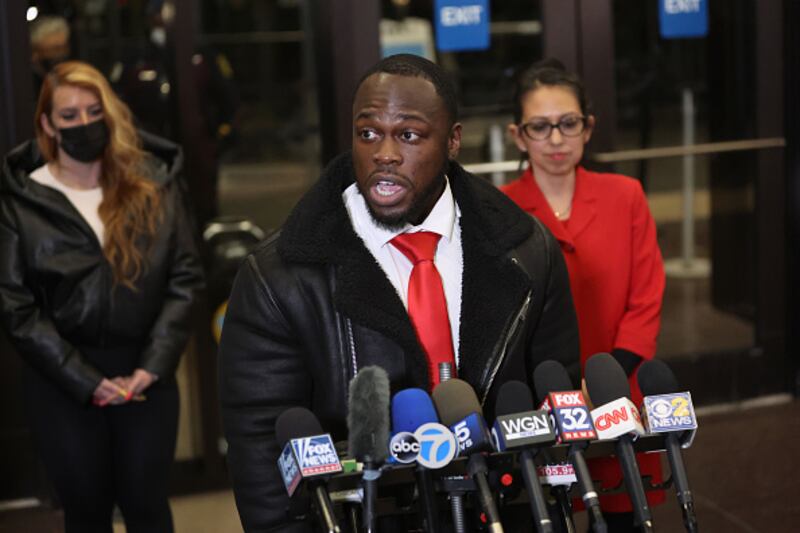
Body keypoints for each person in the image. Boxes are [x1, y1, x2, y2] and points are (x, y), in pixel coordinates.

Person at [218, 54, 580, 531]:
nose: (384, 154)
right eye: (368, 133)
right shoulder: (278, 278)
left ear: (453, 141)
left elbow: (555, 407)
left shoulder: (529, 251)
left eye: (409, 135)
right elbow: (263, 454)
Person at [0, 61, 203, 533]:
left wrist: (153, 365)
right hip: (62, 380)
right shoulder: (22, 200)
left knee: (147, 507)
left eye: (95, 112)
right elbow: (15, 304)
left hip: (146, 372)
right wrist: (84, 379)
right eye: (69, 116)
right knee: (86, 512)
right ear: (48, 124)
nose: (84, 124)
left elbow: (186, 276)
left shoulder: (153, 182)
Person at [501, 58, 666, 531]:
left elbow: (646, 300)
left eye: (568, 123)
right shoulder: (499, 211)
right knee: (549, 512)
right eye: (540, 127)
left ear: (588, 127)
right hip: (540, 405)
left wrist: (603, 384)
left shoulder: (626, 196)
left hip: (617, 393)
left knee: (621, 513)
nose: (556, 139)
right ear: (518, 136)